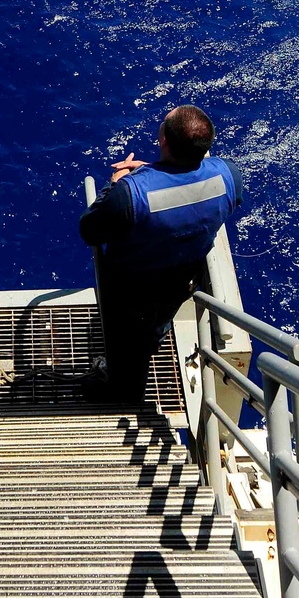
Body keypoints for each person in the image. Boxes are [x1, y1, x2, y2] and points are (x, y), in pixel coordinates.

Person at [79, 106, 242, 401]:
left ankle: (122, 392)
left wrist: (114, 185)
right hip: (181, 280)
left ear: (164, 140)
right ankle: (152, 340)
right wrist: (154, 172)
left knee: (127, 342)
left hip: (133, 289)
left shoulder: (130, 194)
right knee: (158, 321)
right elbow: (193, 194)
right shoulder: (228, 175)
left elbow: (90, 229)